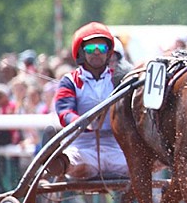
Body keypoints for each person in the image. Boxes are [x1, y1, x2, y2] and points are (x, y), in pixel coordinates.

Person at [45, 22, 129, 179]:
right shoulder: (69, 81)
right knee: (76, 161)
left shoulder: (120, 79)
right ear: (81, 53)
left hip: (117, 147)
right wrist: (82, 122)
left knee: (141, 161)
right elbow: (65, 112)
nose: (96, 53)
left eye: (102, 48)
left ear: (108, 52)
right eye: (91, 49)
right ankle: (56, 163)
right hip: (82, 146)